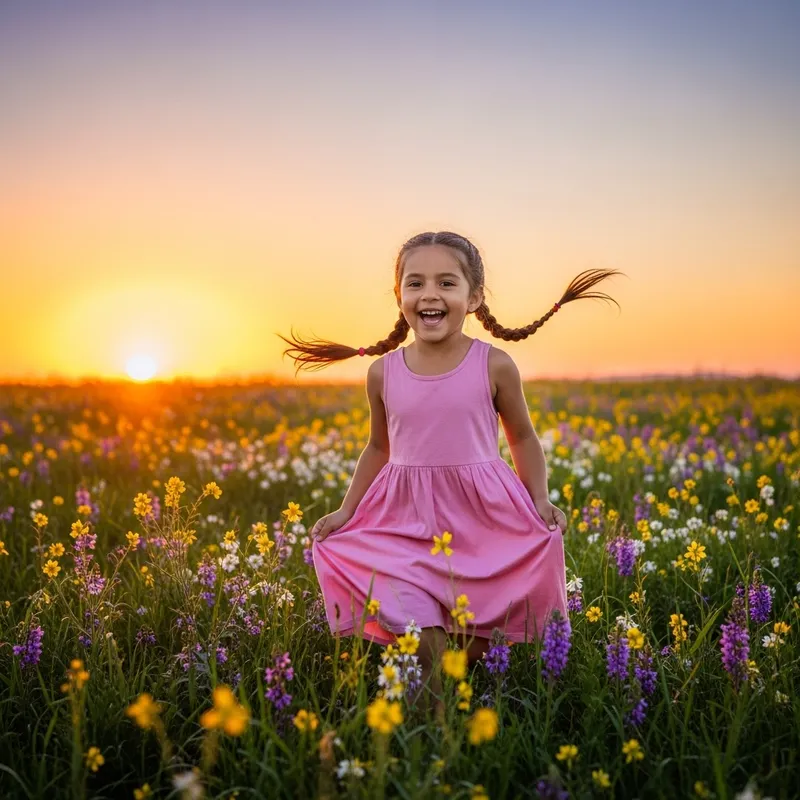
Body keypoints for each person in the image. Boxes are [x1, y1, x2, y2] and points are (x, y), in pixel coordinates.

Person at [279, 230, 621, 711]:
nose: (430, 295)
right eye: (415, 283)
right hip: (402, 518)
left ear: (474, 296)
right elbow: (378, 447)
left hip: (480, 515)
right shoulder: (383, 372)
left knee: (462, 642)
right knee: (421, 635)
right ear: (399, 296)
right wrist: (344, 510)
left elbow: (522, 437)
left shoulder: (494, 364)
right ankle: (433, 737)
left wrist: (539, 499)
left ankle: (441, 728)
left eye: (446, 282)